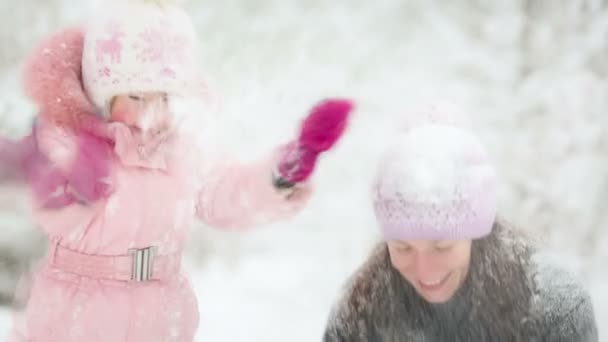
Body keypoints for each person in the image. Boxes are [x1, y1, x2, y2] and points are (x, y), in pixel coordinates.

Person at [5, 1, 353, 341]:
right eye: (136, 98)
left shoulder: (181, 150)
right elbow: (52, 206)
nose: (150, 112)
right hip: (75, 318)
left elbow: (223, 192)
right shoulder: (68, 143)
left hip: (160, 319)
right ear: (101, 96)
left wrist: (280, 174)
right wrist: (81, 173)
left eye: (163, 98)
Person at [322, 108, 597, 341]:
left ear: (476, 235)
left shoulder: (554, 304)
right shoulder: (359, 311)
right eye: (403, 248)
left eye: (441, 246)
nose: (424, 270)